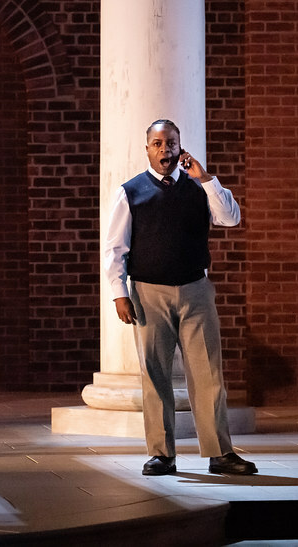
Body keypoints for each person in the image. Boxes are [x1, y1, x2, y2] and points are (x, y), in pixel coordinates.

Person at [104, 118, 256, 476]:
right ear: (147, 150)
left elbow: (230, 219)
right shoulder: (131, 192)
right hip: (148, 292)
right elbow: (114, 248)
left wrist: (205, 178)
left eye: (170, 143)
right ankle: (162, 453)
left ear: (180, 146)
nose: (165, 150)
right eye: (157, 144)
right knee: (155, 373)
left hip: (195, 289)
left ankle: (220, 453)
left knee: (208, 374)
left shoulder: (198, 187)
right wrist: (118, 293)